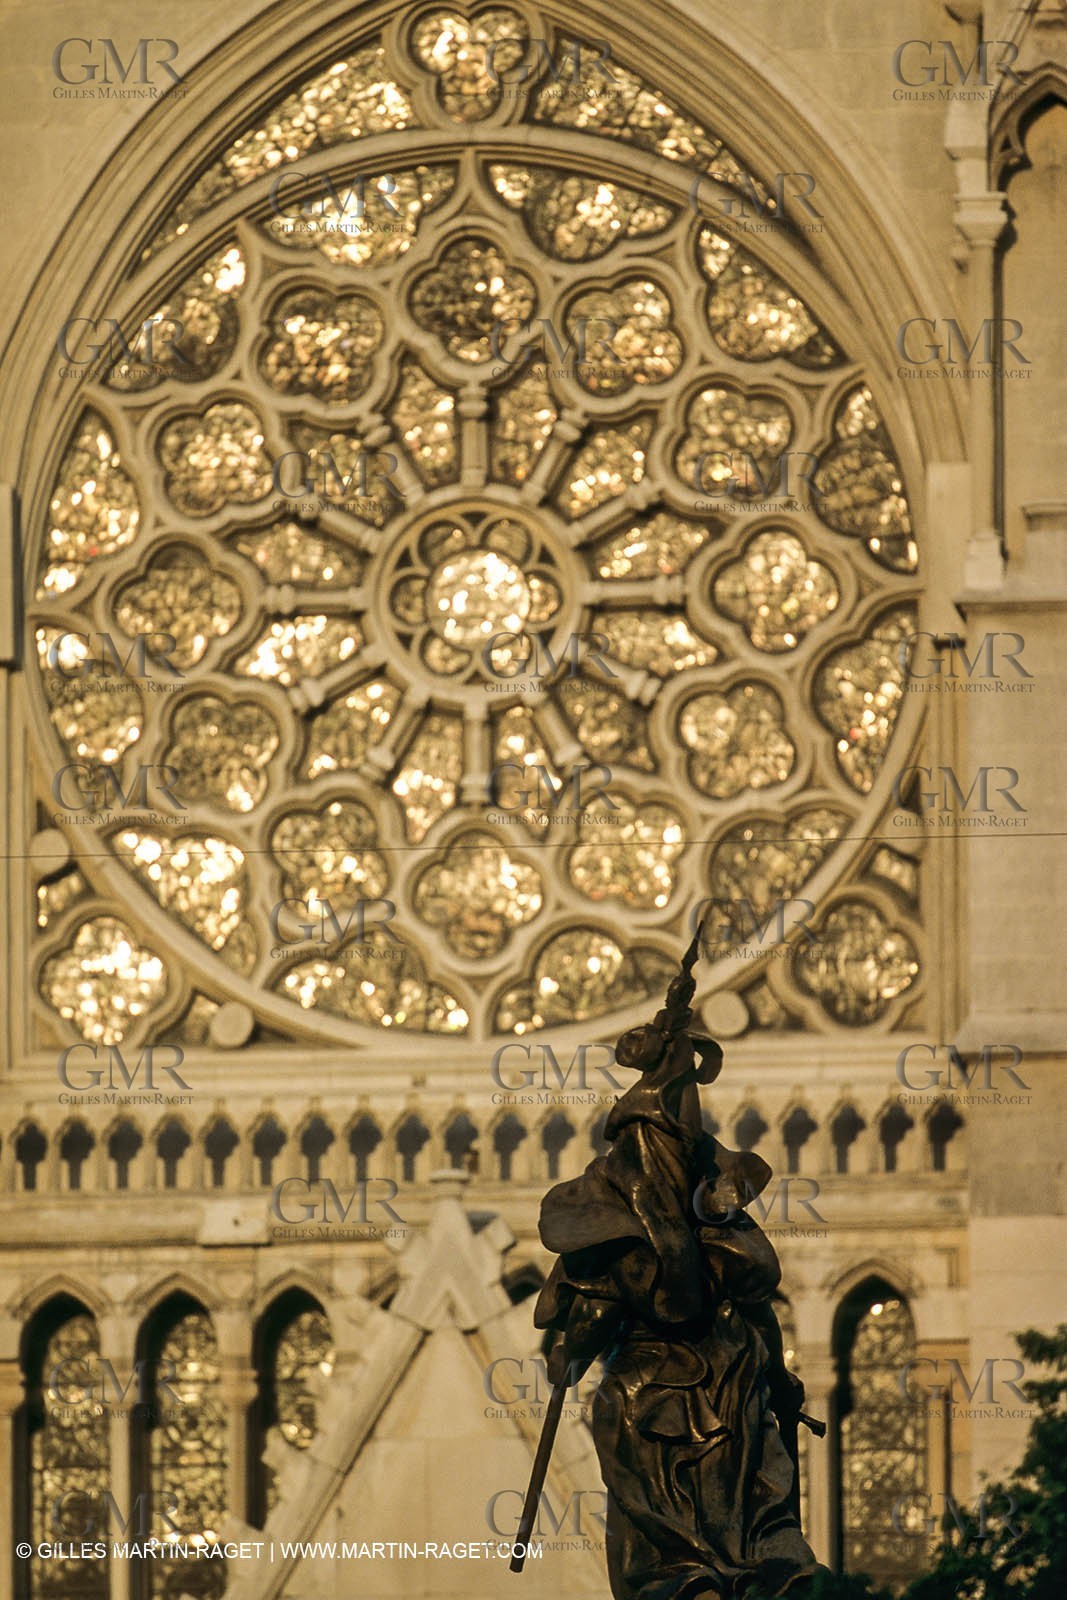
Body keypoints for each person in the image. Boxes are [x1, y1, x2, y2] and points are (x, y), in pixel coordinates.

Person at [533, 940, 824, 1599]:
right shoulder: (725, 1235)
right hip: (734, 1385)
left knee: (664, 1541)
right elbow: (762, 1315)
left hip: (652, 1399)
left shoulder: (619, 1207)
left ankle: (686, 1574)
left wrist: (568, 1356)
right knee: (751, 1525)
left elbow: (600, 1303)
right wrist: (778, 1382)